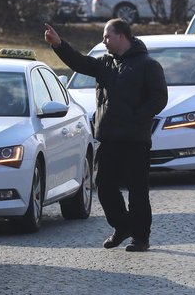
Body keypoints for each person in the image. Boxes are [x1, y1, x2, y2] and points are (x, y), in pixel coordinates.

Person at [44, 19, 168, 252]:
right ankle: (122, 226)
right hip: (109, 138)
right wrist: (59, 45)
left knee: (137, 190)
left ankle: (141, 237)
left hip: (135, 140)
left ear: (122, 36)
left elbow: (159, 98)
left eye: (107, 36)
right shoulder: (105, 64)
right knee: (104, 185)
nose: (104, 41)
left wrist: (136, 117)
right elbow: (80, 63)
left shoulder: (148, 65)